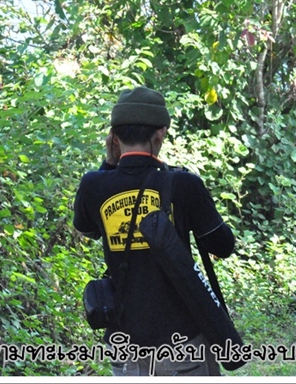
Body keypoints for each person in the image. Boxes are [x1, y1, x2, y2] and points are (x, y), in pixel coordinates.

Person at [73, 86, 236, 376]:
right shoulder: (183, 184)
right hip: (182, 342)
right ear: (160, 134)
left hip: (124, 343)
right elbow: (222, 246)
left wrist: (109, 164)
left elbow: (87, 230)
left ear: (114, 137)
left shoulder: (93, 184)